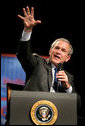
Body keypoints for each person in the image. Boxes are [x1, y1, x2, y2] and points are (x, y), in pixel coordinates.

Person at [17, 6, 75, 93]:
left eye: (63, 50)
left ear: (67, 58)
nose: (58, 52)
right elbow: (23, 55)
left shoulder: (69, 77)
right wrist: (27, 30)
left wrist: (67, 87)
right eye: (56, 48)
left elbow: (77, 104)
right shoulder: (37, 63)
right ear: (50, 51)